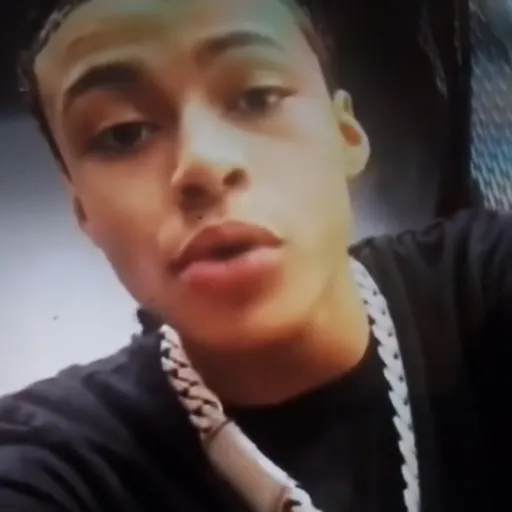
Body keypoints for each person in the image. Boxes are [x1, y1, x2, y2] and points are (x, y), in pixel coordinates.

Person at [1, 0, 511, 510]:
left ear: (345, 135)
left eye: (257, 97)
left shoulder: (483, 285)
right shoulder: (55, 461)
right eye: (123, 133)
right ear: (83, 209)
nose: (203, 163)